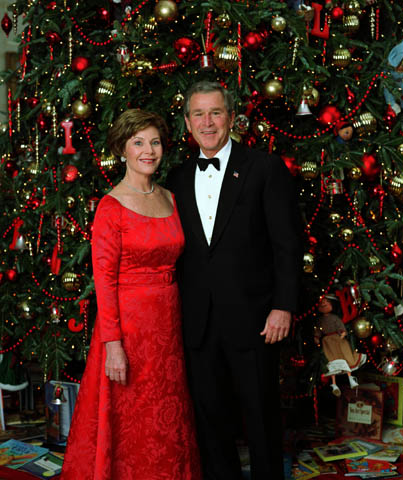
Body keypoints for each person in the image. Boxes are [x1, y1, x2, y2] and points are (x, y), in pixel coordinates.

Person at [166, 81, 302, 480]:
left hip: (256, 318)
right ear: (187, 122)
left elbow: (287, 245)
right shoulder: (175, 177)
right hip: (198, 322)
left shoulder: (264, 167)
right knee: (210, 421)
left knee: (260, 417)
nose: (207, 123)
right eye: (198, 114)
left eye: (215, 113)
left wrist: (284, 306)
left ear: (231, 117)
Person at [61, 109, 201, 480]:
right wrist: (113, 345)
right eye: (138, 142)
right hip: (128, 328)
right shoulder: (111, 207)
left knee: (165, 411)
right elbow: (103, 283)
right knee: (130, 415)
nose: (148, 150)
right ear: (122, 149)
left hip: (168, 325)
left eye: (154, 142)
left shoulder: (171, 199)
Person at [314, 295, 367, 397]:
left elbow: (341, 327)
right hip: (327, 342)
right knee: (333, 360)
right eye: (322, 302)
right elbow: (318, 330)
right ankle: (334, 384)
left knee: (345, 356)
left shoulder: (335, 318)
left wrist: (343, 332)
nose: (323, 304)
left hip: (337, 339)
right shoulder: (320, 320)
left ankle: (350, 378)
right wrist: (316, 336)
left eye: (326, 302)